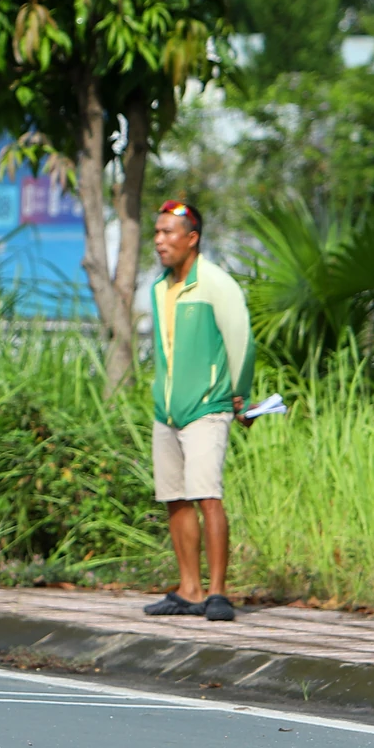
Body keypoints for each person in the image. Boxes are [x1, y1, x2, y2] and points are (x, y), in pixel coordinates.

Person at [142, 199, 254, 621]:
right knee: (174, 498)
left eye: (168, 233)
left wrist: (239, 395)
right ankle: (189, 589)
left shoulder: (215, 283)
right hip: (166, 410)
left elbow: (242, 340)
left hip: (208, 407)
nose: (159, 241)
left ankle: (218, 592)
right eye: (156, 233)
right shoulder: (158, 289)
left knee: (208, 495)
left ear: (192, 239)